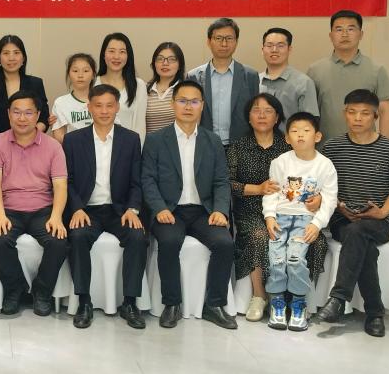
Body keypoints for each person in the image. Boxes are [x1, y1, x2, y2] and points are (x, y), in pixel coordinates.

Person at [141, 80, 237, 329]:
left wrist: (220, 210)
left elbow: (221, 180)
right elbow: (147, 179)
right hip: (169, 210)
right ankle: (172, 304)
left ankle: (214, 305)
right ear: (173, 104)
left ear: (202, 106)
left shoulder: (212, 140)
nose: (188, 107)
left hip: (203, 211)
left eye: (194, 101)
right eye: (182, 101)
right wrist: (159, 208)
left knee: (225, 243)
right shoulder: (156, 140)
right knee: (169, 241)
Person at [227, 93, 328, 323]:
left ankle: (298, 298)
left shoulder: (289, 144)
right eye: (256, 110)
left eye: (268, 111)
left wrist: (320, 198)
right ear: (248, 118)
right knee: (259, 235)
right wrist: (257, 189)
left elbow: (316, 176)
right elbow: (226, 183)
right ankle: (260, 296)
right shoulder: (238, 147)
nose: (262, 115)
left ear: (277, 117)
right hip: (250, 209)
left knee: (316, 240)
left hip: (293, 211)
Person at [314, 89, 389, 337]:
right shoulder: (332, 147)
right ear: (344, 113)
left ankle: (338, 298)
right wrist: (338, 206)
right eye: (352, 112)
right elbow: (323, 187)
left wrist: (382, 212)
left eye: (365, 113)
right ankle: (374, 313)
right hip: (342, 219)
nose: (357, 118)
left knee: (359, 233)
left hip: (380, 221)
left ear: (375, 116)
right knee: (361, 241)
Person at [63, 84, 148, 329]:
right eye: (98, 105)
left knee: (138, 237)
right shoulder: (73, 140)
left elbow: (136, 181)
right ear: (89, 107)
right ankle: (84, 302)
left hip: (119, 209)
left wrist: (132, 209)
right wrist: (76, 208)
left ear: (117, 107)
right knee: (78, 236)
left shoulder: (130, 139)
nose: (104, 111)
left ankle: (130, 303)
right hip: (86, 209)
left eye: (109, 105)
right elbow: (67, 181)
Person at [0, 90, 68, 316]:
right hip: (9, 208)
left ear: (38, 115)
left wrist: (56, 217)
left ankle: (42, 292)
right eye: (17, 112)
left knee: (58, 241)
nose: (22, 118)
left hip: (42, 209)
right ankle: (15, 290)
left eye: (28, 112)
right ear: (8, 114)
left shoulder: (53, 146)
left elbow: (60, 185)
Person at [261, 111, 338, 332]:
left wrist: (317, 223)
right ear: (287, 138)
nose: (300, 135)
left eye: (306, 130)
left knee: (295, 259)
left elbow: (330, 199)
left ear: (317, 136)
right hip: (280, 218)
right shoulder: (280, 162)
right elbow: (271, 193)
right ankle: (277, 303)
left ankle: (298, 304)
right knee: (276, 259)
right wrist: (269, 216)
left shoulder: (325, 165)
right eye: (294, 131)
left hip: (306, 220)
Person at [307, 10, 389, 139]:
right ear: (331, 36)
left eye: (351, 29)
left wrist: (383, 147)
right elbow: (308, 114)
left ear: (361, 34)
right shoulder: (315, 70)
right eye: (339, 29)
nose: (345, 34)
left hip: (365, 147)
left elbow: (385, 111)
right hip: (324, 147)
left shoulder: (377, 70)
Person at [186, 18, 260, 145]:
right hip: (204, 144)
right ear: (209, 41)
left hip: (241, 146)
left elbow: (255, 112)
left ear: (236, 41)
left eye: (229, 38)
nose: (224, 44)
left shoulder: (250, 75)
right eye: (218, 38)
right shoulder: (194, 76)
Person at [0, 35, 50, 140]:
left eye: (16, 53)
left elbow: (43, 116)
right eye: (6, 53)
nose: (11, 58)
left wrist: (29, 138)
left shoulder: (35, 83)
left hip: (30, 144)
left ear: (23, 58)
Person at [258, 27, 319, 133]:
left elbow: (310, 123)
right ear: (262, 50)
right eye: (269, 45)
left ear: (289, 49)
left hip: (291, 142)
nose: (274, 50)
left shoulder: (303, 82)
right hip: (259, 142)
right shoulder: (255, 80)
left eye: (280, 46)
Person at [95, 33, 147, 138]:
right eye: (111, 51)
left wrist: (136, 148)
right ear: (103, 54)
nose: (116, 56)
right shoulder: (92, 83)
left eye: (122, 52)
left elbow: (140, 126)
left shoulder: (139, 85)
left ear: (128, 56)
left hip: (128, 146)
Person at [50, 53, 96, 143]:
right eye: (75, 71)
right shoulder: (61, 102)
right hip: (73, 150)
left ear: (93, 75)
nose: (80, 75)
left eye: (86, 71)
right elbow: (59, 137)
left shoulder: (103, 100)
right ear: (69, 74)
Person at [144, 42, 185, 135]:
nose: (165, 63)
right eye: (160, 59)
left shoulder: (185, 90)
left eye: (171, 59)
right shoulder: (144, 89)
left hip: (177, 143)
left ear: (180, 65)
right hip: (149, 143)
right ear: (154, 63)